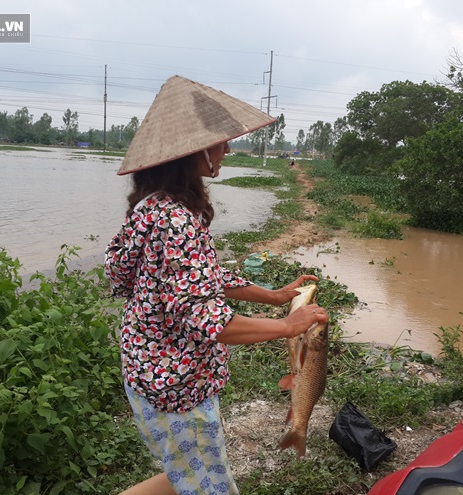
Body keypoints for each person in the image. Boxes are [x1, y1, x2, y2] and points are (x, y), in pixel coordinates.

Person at [104, 75, 328, 495]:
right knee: (211, 486)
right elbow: (208, 319)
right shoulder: (176, 221)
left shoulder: (153, 207)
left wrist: (274, 296)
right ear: (195, 152)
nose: (228, 148)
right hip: (174, 384)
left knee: (183, 475)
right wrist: (287, 326)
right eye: (222, 142)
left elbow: (203, 277)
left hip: (147, 370)